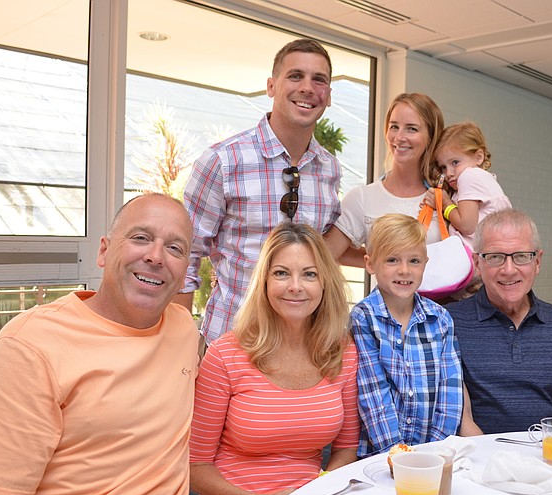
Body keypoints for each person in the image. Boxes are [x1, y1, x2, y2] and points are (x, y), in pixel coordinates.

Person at [0, 193, 200, 495]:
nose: (156, 256)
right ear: (103, 251)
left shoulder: (183, 330)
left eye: (175, 248)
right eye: (141, 238)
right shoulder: (30, 347)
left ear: (185, 271)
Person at [188, 222, 360, 495]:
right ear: (264, 281)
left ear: (325, 282)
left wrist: (319, 490)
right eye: (282, 273)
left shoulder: (342, 352)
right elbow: (195, 466)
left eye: (309, 274)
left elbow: (346, 448)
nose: (295, 286)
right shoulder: (225, 355)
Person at [177, 38, 341, 344]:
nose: (307, 87)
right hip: (232, 341)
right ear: (271, 86)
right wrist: (179, 342)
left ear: (328, 95)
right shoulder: (223, 160)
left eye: (319, 79)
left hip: (302, 346)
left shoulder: (329, 169)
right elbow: (185, 253)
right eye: (295, 76)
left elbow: (326, 251)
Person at [446, 209, 552, 435]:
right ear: (477, 263)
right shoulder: (448, 322)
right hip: (479, 453)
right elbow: (460, 418)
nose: (508, 270)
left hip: (551, 452)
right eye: (495, 257)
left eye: (521, 256)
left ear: (538, 261)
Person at [351, 214, 463, 457]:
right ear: (370, 264)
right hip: (379, 456)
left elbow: (450, 391)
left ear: (425, 263)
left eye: (414, 261)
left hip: (434, 455)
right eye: (392, 260)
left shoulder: (441, 319)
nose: (404, 270)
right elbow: (373, 395)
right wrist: (399, 456)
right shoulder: (363, 318)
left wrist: (435, 452)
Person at [324, 92, 445, 266]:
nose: (399, 137)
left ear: (431, 137)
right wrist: (381, 262)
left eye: (412, 128)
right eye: (394, 126)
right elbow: (327, 255)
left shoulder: (446, 197)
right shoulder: (362, 198)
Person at [423, 120, 512, 251]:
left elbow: (466, 226)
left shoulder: (468, 176)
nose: (448, 173)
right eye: (443, 167)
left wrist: (445, 204)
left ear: (479, 157)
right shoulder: (480, 179)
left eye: (455, 162)